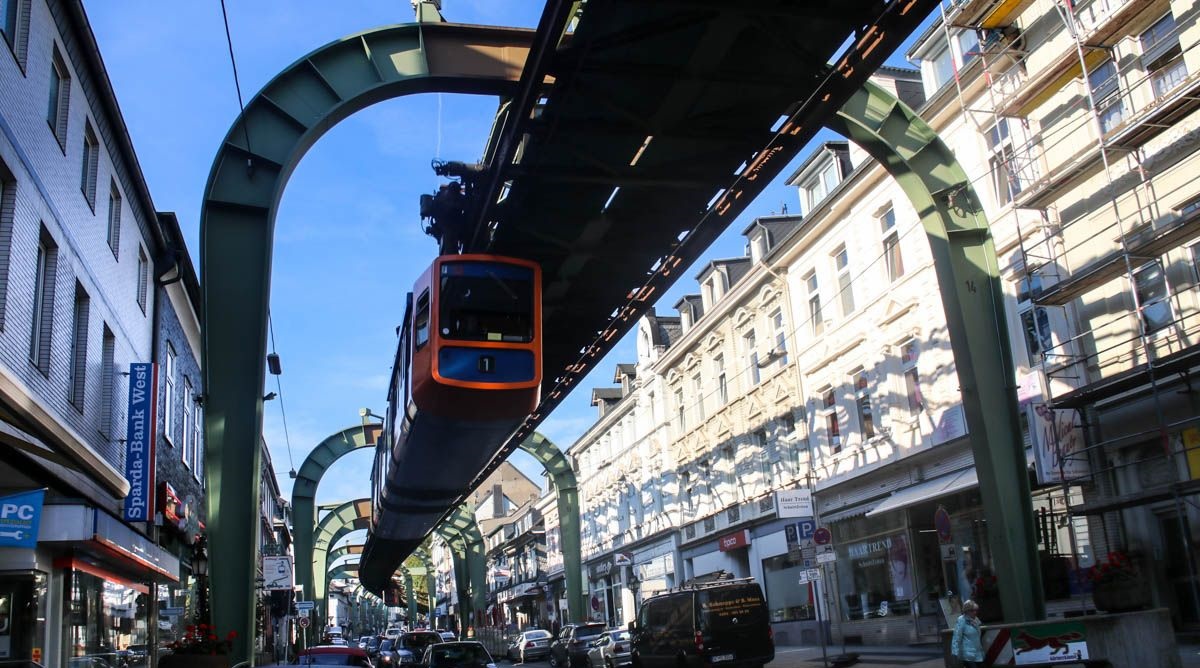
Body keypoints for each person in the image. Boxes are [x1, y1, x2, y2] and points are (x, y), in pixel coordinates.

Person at [951, 599, 984, 667]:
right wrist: (955, 652)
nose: (975, 612)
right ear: (966, 611)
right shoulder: (961, 620)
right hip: (967, 655)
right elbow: (957, 636)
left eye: (976, 610)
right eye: (972, 610)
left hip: (977, 653)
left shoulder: (976, 620)